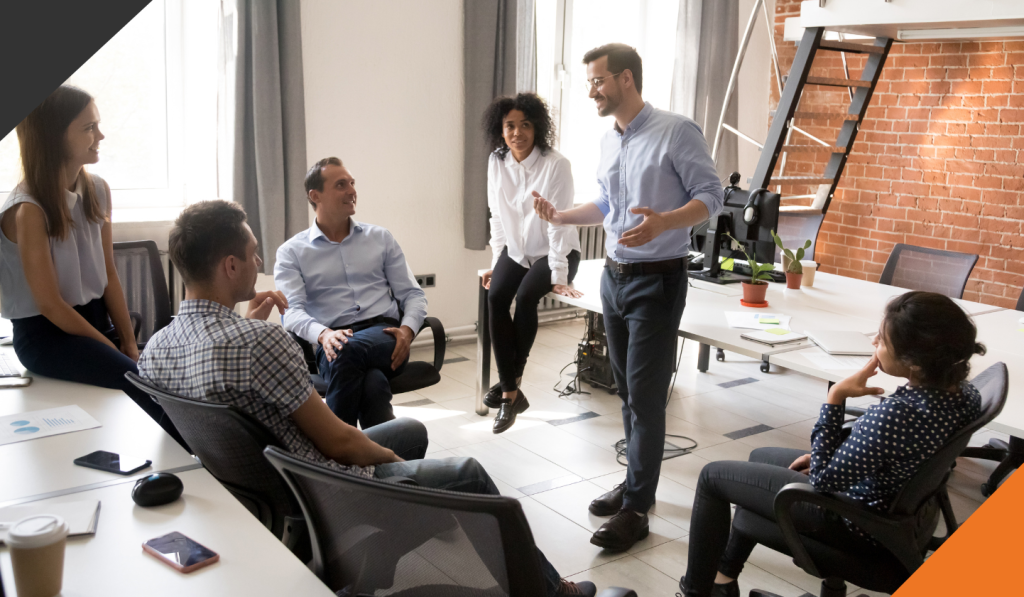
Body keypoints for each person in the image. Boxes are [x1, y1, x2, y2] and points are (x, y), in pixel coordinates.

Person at [139, 200, 597, 597]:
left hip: (264, 488)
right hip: (325, 489)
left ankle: (376, 556)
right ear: (230, 266)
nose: (258, 262)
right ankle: (552, 590)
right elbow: (341, 443)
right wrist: (392, 467)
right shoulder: (260, 342)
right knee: (467, 473)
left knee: (411, 429)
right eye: (252, 253)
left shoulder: (157, 348)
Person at [534, 43, 724, 551]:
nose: (591, 90)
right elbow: (604, 203)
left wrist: (667, 221)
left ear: (626, 79)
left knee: (644, 397)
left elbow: (711, 196)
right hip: (614, 280)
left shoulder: (676, 130)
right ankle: (636, 486)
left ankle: (637, 508)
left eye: (598, 81)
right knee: (626, 393)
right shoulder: (608, 141)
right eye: (589, 82)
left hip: (658, 280)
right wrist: (560, 216)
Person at [680, 291, 986, 597]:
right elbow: (885, 450)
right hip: (901, 511)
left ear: (915, 364)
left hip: (856, 521)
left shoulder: (897, 416)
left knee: (712, 477)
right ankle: (722, 580)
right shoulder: (964, 394)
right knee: (758, 458)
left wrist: (835, 396)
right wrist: (827, 452)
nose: (874, 344)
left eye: (882, 340)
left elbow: (823, 480)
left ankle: (696, 592)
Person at [0, 85, 186, 449]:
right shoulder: (29, 209)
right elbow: (51, 305)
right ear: (54, 136)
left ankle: (189, 463)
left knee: (155, 381)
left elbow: (109, 275)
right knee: (149, 390)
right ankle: (203, 466)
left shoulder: (98, 189)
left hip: (93, 320)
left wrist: (130, 342)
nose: (100, 136)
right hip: (46, 336)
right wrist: (112, 350)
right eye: (88, 128)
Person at [274, 157, 428, 429]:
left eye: (352, 183)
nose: (351, 191)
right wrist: (323, 334)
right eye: (341, 185)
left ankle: (333, 453)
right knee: (373, 384)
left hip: (385, 336)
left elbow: (412, 295)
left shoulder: (380, 238)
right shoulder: (292, 251)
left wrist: (408, 330)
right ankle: (381, 462)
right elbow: (292, 312)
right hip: (331, 341)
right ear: (315, 195)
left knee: (347, 353)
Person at [480, 92, 583, 433]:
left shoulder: (556, 164)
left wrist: (558, 274)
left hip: (558, 249)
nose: (517, 133)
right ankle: (511, 391)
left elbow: (558, 223)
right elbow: (497, 215)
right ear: (501, 129)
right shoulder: (497, 162)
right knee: (495, 297)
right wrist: (497, 262)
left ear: (537, 128)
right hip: (517, 251)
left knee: (525, 298)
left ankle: (509, 389)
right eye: (510, 126)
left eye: (525, 125)